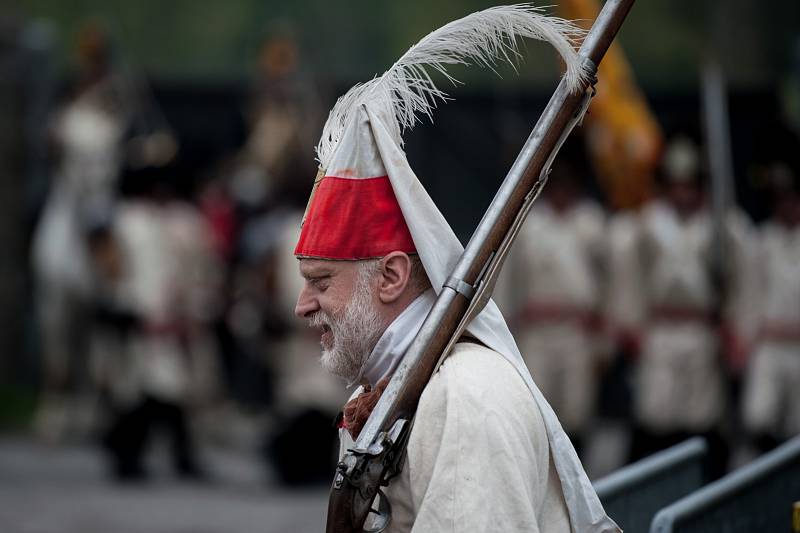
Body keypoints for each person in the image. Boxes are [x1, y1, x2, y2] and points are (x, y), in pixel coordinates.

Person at [290, 6, 618, 531]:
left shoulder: (465, 399)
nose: (302, 305)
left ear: (393, 277)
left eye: (321, 282)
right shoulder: (386, 392)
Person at [609, 136, 757, 479]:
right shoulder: (646, 225)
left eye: (689, 185)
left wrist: (737, 331)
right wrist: (631, 325)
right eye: (676, 185)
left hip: (703, 333)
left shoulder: (725, 226)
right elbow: (631, 278)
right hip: (660, 331)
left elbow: (742, 284)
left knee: (703, 421)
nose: (682, 193)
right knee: (654, 418)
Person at [499, 162, 609, 454]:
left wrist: (603, 341)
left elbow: (608, 284)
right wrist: (506, 334)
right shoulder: (529, 223)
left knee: (577, 412)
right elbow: (509, 281)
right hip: (538, 330)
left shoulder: (593, 223)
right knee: (535, 409)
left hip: (577, 331)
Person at [742, 163, 800, 452]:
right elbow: (749, 295)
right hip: (769, 341)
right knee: (759, 419)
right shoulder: (763, 239)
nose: (787, 206)